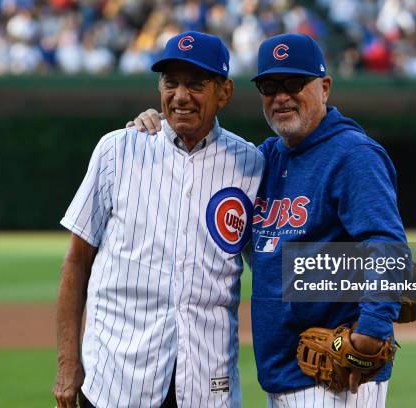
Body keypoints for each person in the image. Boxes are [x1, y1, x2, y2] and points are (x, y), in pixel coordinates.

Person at [128, 33, 407, 408]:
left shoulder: (353, 156)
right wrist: (162, 124)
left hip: (340, 377)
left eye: (294, 84)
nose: (281, 97)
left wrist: (372, 330)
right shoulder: (267, 158)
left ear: (324, 88)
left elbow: (386, 243)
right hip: (284, 372)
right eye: (269, 86)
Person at [54, 31, 264, 408]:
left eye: (196, 84)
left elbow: (274, 264)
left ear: (225, 92)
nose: (180, 95)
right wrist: (68, 367)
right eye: (171, 82)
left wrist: (367, 277)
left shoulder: (250, 165)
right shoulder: (118, 150)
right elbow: (76, 262)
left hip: (205, 384)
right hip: (116, 380)